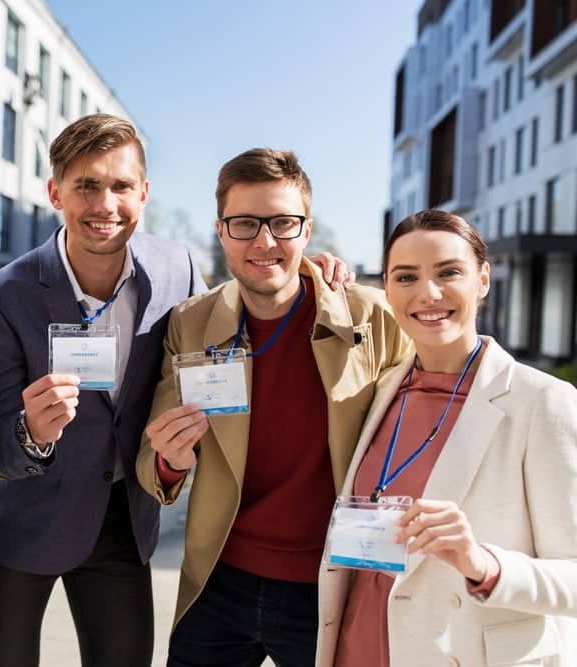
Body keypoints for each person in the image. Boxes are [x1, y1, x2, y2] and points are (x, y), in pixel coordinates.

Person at [137, 148, 413, 666]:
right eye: (244, 224)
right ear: (221, 232)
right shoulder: (190, 323)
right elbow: (155, 466)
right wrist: (171, 459)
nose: (265, 242)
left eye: (283, 223)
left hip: (331, 582)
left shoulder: (372, 317)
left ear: (307, 231)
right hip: (219, 580)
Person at [0, 113, 207, 667]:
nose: (105, 204)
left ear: (143, 193)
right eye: (86, 186)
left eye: (121, 186)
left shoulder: (179, 269)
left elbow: (231, 324)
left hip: (124, 524)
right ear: (55, 192)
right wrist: (31, 433)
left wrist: (311, 276)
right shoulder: (1, 296)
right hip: (24, 526)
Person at [316, 210, 577, 667]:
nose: (427, 294)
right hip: (357, 648)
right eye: (406, 277)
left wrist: (484, 564)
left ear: (483, 280)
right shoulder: (380, 392)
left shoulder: (543, 403)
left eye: (448, 272)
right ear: (388, 290)